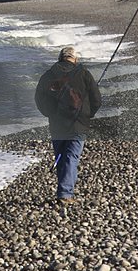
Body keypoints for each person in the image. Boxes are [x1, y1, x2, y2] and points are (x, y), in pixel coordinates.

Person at [35, 46, 101, 205]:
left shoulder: (49, 75)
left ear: (60, 58)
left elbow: (39, 98)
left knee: (60, 156)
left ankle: (63, 190)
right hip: (79, 123)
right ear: (75, 59)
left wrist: (50, 113)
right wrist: (88, 114)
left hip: (57, 124)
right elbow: (96, 99)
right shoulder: (84, 73)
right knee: (71, 157)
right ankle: (65, 193)